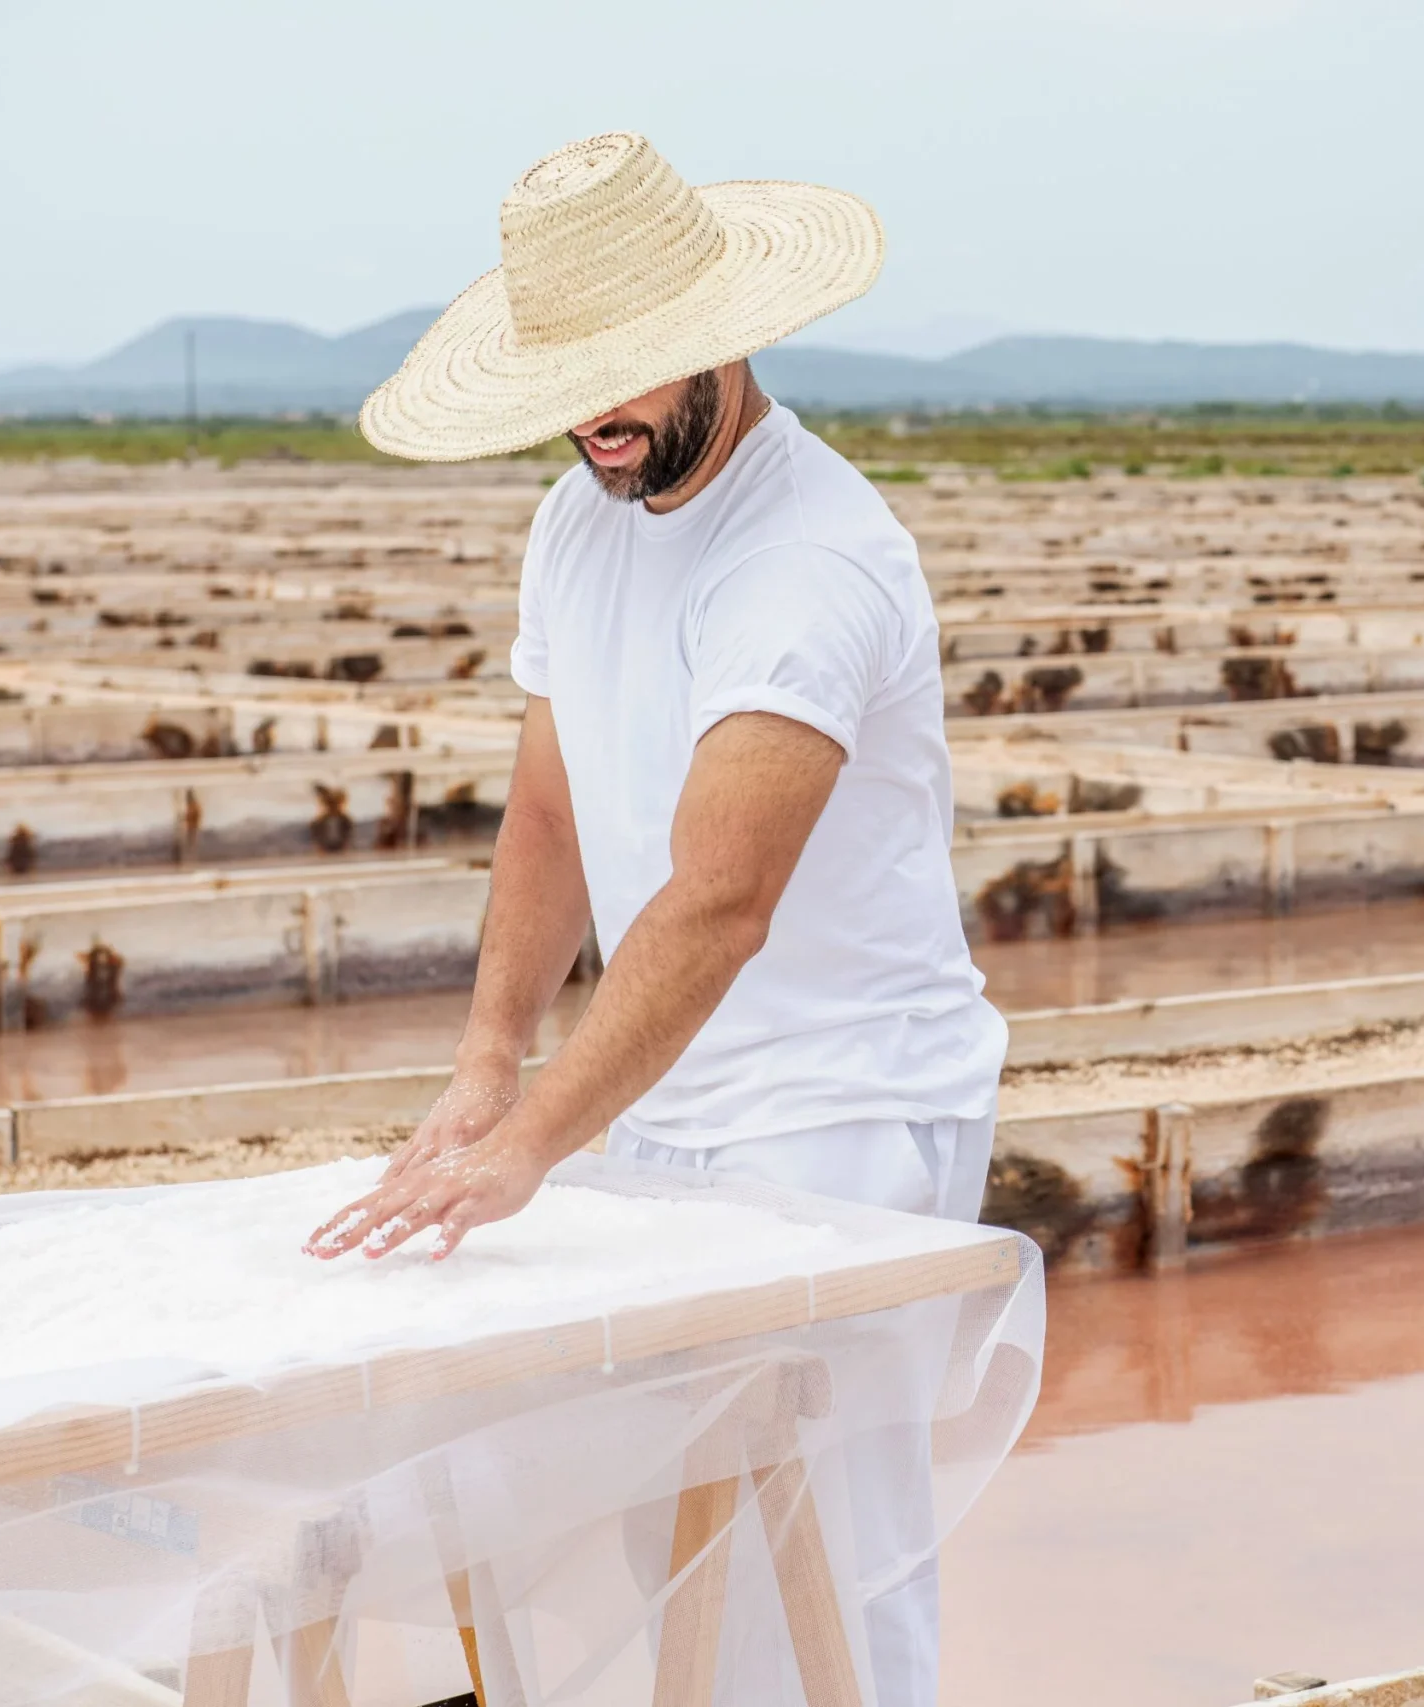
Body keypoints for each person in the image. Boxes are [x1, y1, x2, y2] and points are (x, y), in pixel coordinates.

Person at [305, 131, 1006, 1704]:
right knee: (669, 1530)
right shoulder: (579, 518)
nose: (597, 416)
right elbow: (551, 814)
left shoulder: (808, 559)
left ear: (724, 337)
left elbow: (716, 900)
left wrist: (531, 1145)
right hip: (672, 1090)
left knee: (823, 1545)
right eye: (570, 380)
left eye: (626, 372)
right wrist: (490, 1060)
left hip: (844, 1107)